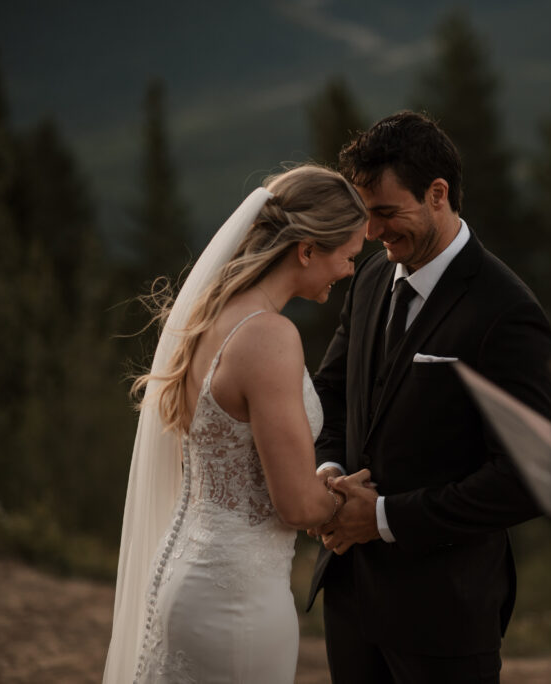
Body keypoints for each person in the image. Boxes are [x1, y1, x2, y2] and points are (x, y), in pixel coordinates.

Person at [304, 111, 551, 684]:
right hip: (351, 601)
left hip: (445, 619)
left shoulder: (507, 311)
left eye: (387, 213)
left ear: (438, 193)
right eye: (366, 215)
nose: (372, 233)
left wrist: (385, 517)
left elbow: (527, 477)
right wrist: (329, 473)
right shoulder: (371, 280)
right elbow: (331, 395)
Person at [102, 164, 375, 683]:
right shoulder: (269, 336)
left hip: (188, 574)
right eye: (349, 255)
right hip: (239, 601)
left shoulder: (211, 314)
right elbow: (295, 504)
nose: (350, 271)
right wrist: (346, 499)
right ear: (307, 249)